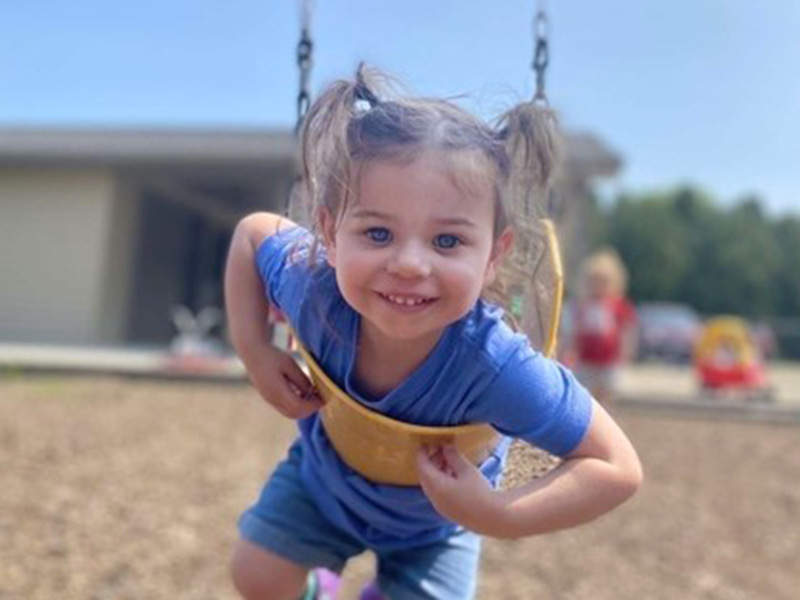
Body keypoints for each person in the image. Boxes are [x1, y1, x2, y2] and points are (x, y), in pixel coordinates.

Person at [224, 65, 642, 600]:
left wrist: (494, 513)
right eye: (378, 232)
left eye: (447, 242)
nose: (409, 264)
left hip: (439, 526)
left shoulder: (495, 365)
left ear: (494, 256)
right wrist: (255, 350)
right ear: (328, 233)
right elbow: (251, 234)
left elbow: (616, 467)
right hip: (323, 483)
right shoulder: (314, 289)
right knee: (255, 578)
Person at [572, 249, 638, 405]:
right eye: (593, 282)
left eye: (603, 283)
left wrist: (626, 350)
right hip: (586, 359)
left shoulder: (618, 307)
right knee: (584, 394)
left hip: (608, 360)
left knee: (606, 393)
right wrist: (570, 348)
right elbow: (576, 330)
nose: (598, 287)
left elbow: (627, 331)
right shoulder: (583, 306)